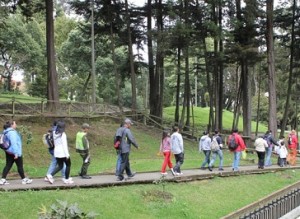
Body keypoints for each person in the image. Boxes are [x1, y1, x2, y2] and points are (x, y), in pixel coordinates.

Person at [0, 121, 32, 185]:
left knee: (8, 165)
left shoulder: (5, 131)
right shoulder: (12, 132)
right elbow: (14, 143)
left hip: (8, 151)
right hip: (15, 152)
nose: (16, 125)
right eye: (15, 124)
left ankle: (3, 179)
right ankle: (24, 179)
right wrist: (16, 153)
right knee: (20, 166)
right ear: (11, 125)